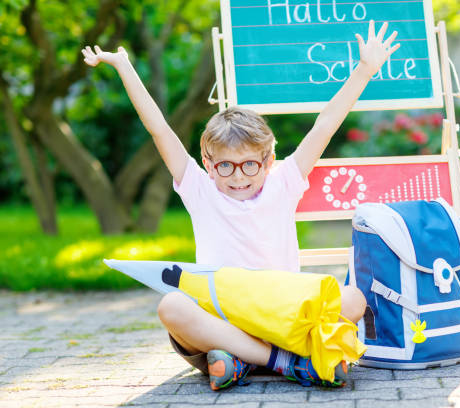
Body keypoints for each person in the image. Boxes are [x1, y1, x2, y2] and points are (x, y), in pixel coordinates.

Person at [82, 20, 400, 391]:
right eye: (225, 166)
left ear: (268, 160)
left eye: (250, 164)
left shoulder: (284, 181)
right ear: (207, 161)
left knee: (352, 300)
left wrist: (365, 70)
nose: (238, 176)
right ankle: (285, 362)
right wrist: (124, 67)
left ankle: (237, 361)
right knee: (171, 308)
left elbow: (325, 125)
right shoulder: (200, 190)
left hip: (282, 311)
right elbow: (160, 130)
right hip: (223, 315)